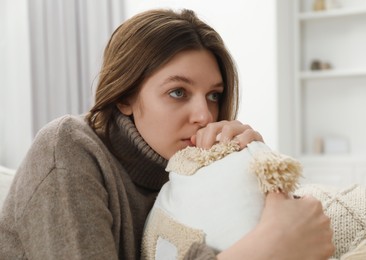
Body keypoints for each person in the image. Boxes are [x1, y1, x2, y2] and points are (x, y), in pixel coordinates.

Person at [0, 8, 334, 260]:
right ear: (124, 96)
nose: (205, 115)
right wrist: (267, 247)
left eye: (214, 96)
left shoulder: (187, 176)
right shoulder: (68, 149)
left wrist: (250, 172)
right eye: (178, 92)